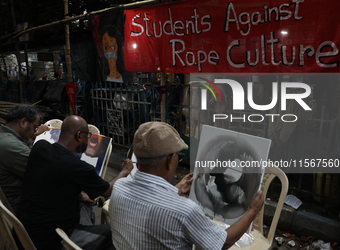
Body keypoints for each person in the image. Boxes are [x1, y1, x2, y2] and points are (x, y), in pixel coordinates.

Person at [109, 122, 264, 249]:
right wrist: (252, 211)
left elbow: (148, 203)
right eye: (178, 156)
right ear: (170, 160)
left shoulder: (119, 187)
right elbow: (223, 242)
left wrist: (175, 189)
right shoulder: (184, 210)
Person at [16, 115, 133, 250]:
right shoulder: (78, 167)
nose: (88, 140)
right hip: (52, 239)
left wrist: (79, 193)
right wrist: (124, 172)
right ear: (79, 136)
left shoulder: (40, 147)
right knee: (116, 232)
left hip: (25, 230)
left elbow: (54, 180)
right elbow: (107, 190)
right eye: (88, 136)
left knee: (84, 205)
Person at [0, 104, 47, 212]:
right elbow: (46, 173)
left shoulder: (4, 134)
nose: (34, 131)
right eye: (34, 127)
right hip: (17, 205)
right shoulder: (14, 147)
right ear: (23, 122)